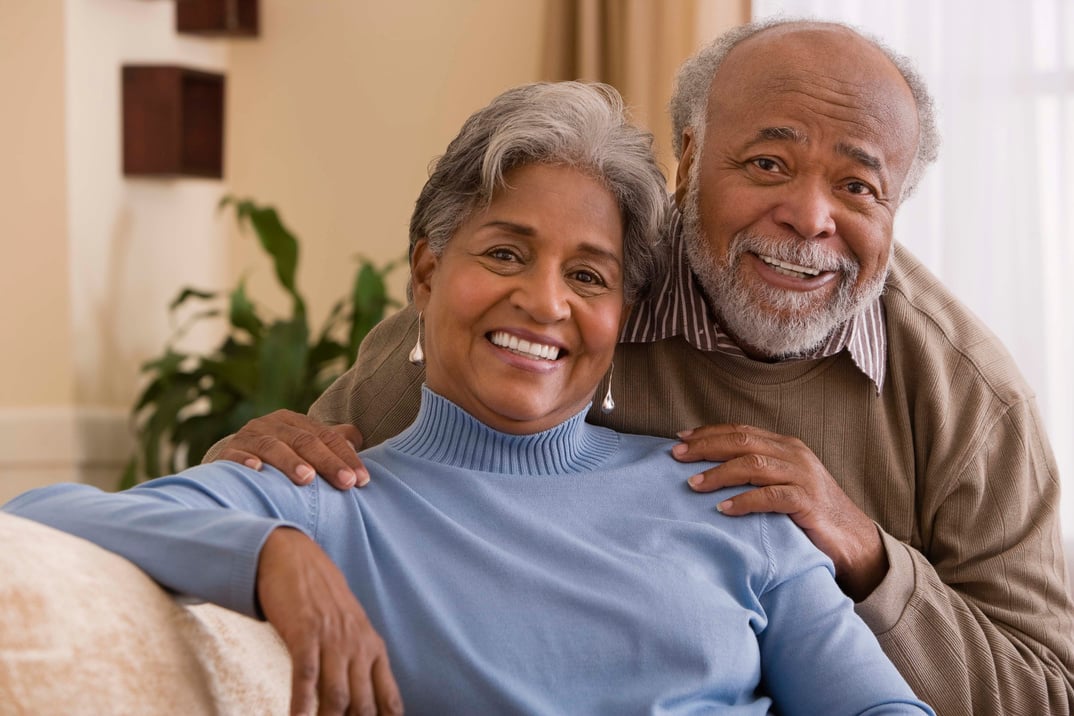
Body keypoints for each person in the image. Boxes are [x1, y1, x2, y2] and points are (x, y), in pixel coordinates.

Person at [208, 18, 1074, 716]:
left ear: (894, 208)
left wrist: (865, 553)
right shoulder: (559, 300)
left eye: (858, 186)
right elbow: (295, 479)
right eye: (768, 162)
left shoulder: (971, 398)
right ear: (689, 160)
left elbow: (1047, 691)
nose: (810, 216)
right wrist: (258, 486)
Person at [3, 81, 932, 715]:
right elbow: (35, 518)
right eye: (503, 253)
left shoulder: (729, 503)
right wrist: (269, 552)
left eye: (591, 275)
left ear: (622, 315)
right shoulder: (324, 502)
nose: (545, 302)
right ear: (426, 272)